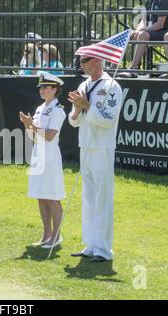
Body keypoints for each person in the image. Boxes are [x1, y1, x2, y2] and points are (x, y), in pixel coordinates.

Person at [67, 53, 123, 262]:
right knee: (88, 197)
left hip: (102, 147)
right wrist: (77, 108)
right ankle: (90, 244)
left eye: (84, 61)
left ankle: (103, 250)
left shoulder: (112, 86)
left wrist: (87, 105)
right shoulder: (83, 85)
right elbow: (74, 121)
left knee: (103, 198)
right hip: (85, 145)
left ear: (97, 61)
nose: (80, 65)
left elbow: (108, 120)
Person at [19, 72, 66, 249]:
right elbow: (33, 136)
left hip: (50, 156)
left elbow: (50, 135)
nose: (42, 90)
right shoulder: (40, 108)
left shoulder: (58, 110)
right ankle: (46, 234)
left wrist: (32, 126)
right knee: (41, 195)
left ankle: (57, 235)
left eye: (45, 87)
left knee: (52, 196)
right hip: (38, 154)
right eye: (41, 87)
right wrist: (27, 125)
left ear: (54, 89)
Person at [120, 0, 168, 78]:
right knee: (128, 34)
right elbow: (143, 21)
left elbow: (160, 24)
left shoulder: (164, 1)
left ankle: (133, 70)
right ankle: (113, 69)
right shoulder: (149, 1)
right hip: (152, 31)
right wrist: (137, 31)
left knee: (142, 35)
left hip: (166, 32)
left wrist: (143, 31)